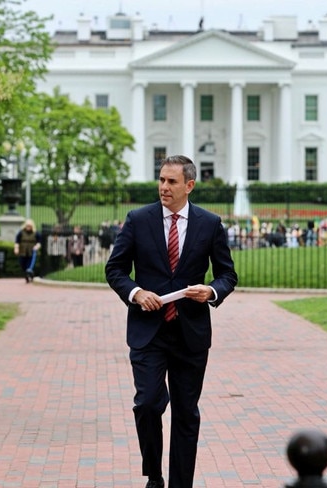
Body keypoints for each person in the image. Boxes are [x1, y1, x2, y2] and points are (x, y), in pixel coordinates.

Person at [105, 155, 237, 488]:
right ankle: (155, 475)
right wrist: (136, 293)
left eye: (172, 181)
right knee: (148, 404)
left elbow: (227, 274)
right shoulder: (138, 220)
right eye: (161, 180)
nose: (164, 187)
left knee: (186, 413)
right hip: (148, 332)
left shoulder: (210, 224)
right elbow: (115, 269)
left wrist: (210, 291)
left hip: (190, 333)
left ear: (189, 185)